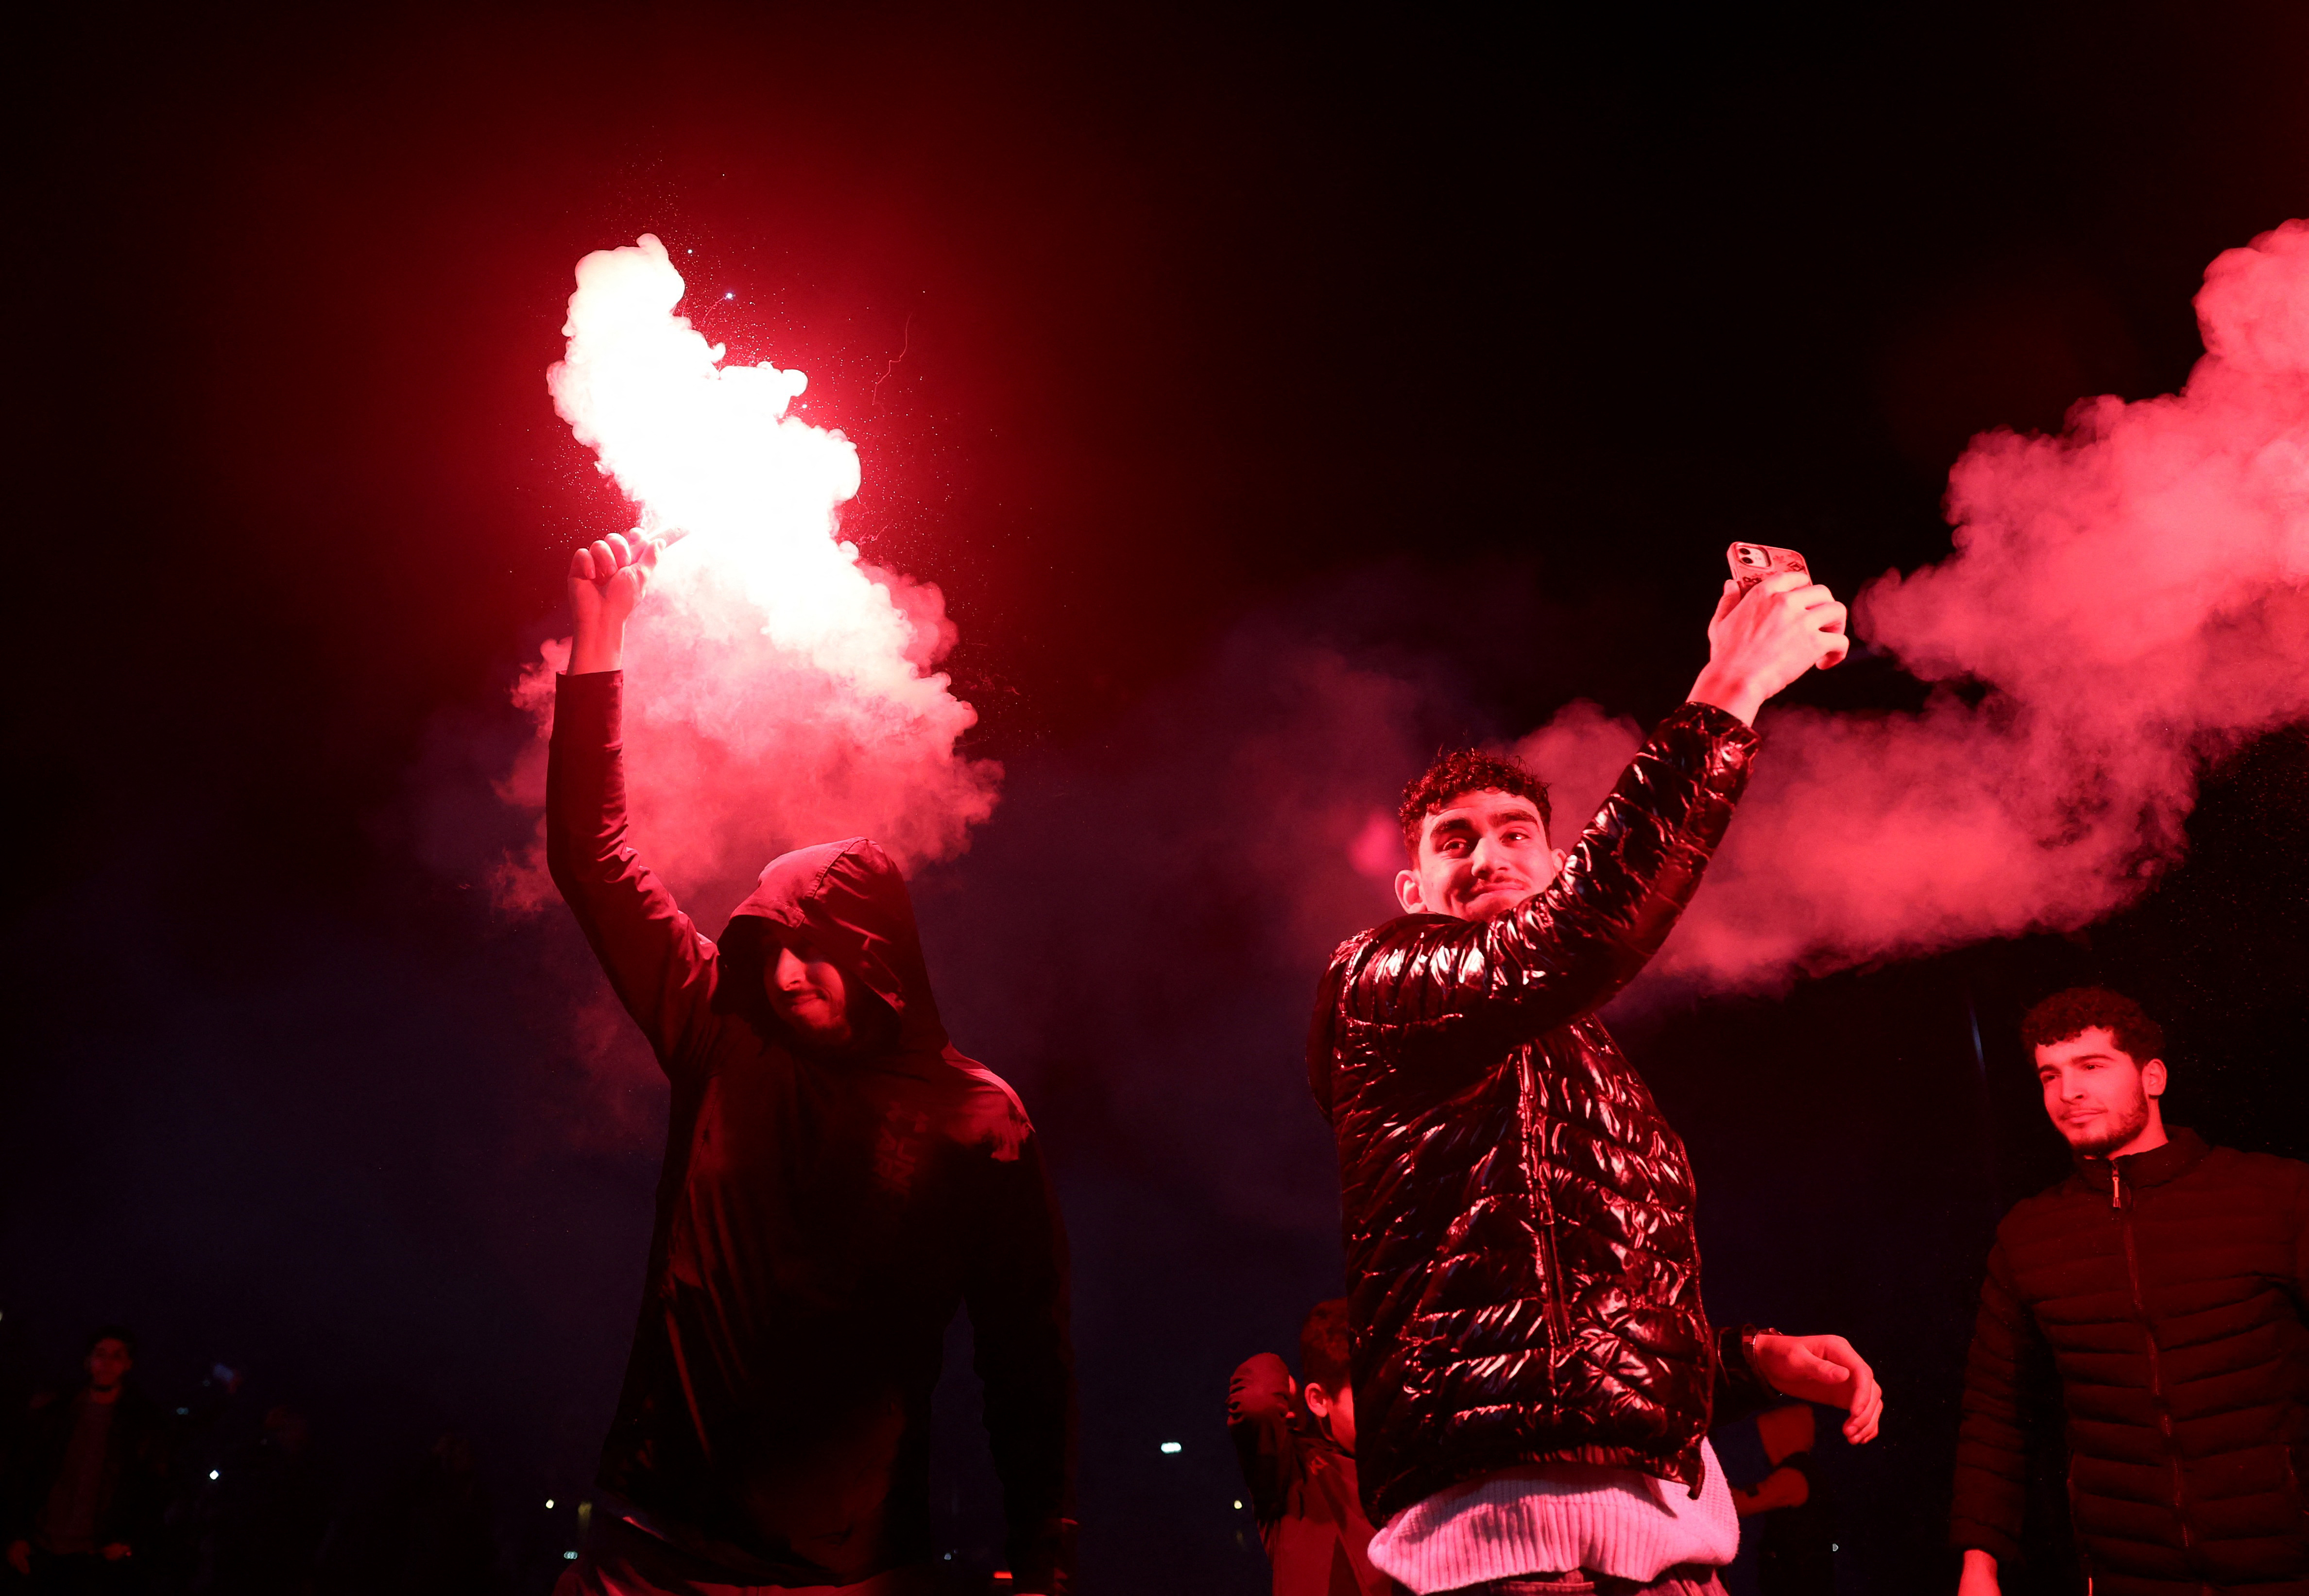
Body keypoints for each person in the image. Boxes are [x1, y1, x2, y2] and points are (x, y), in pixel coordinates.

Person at [1307, 568, 1883, 1596]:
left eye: (1515, 834)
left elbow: (1579, 1329)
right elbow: (1573, 940)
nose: (1487, 854)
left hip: (1676, 1567)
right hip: (1519, 1571)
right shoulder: (1377, 980)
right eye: (1455, 841)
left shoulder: (1593, 1058)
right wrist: (1727, 692)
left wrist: (1747, 1364)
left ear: (1555, 858)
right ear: (1411, 889)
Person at [545, 534, 1075, 1596]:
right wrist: (598, 644)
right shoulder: (720, 1033)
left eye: (813, 948)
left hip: (851, 1570)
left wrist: (1046, 1548)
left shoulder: (978, 1117)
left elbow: (1027, 1354)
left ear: (876, 951)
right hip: (653, 1540)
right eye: (767, 949)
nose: (785, 975)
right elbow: (592, 857)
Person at [1951, 987, 2309, 1596]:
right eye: (2050, 1075)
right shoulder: (2028, 1235)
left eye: (2092, 1066)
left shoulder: (2276, 1196)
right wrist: (1977, 1566)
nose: (2068, 1093)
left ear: (2152, 1076)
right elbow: (1996, 1411)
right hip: (2127, 1576)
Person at [1228, 1299, 1395, 1596]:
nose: (1384, 1408)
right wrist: (1287, 1390)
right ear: (1318, 1400)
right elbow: (1257, 1402)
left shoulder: (1414, 1466)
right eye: (1364, 1395)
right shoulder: (1293, 1476)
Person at [4, 1327, 170, 1593]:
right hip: (40, 1543)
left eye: (116, 1357)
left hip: (96, 1552)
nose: (106, 1363)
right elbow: (24, 1473)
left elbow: (153, 1485)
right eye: (100, 1354)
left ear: (128, 1365)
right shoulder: (55, 1412)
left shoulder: (142, 1423)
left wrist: (129, 1540)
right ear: (89, 1360)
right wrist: (17, 1534)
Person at [1729, 1406, 1831, 1596]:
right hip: (1803, 1579)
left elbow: (1742, 1504)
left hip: (1796, 1582)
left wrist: (1710, 1481)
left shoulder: (1793, 1477)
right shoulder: (1804, 1473)